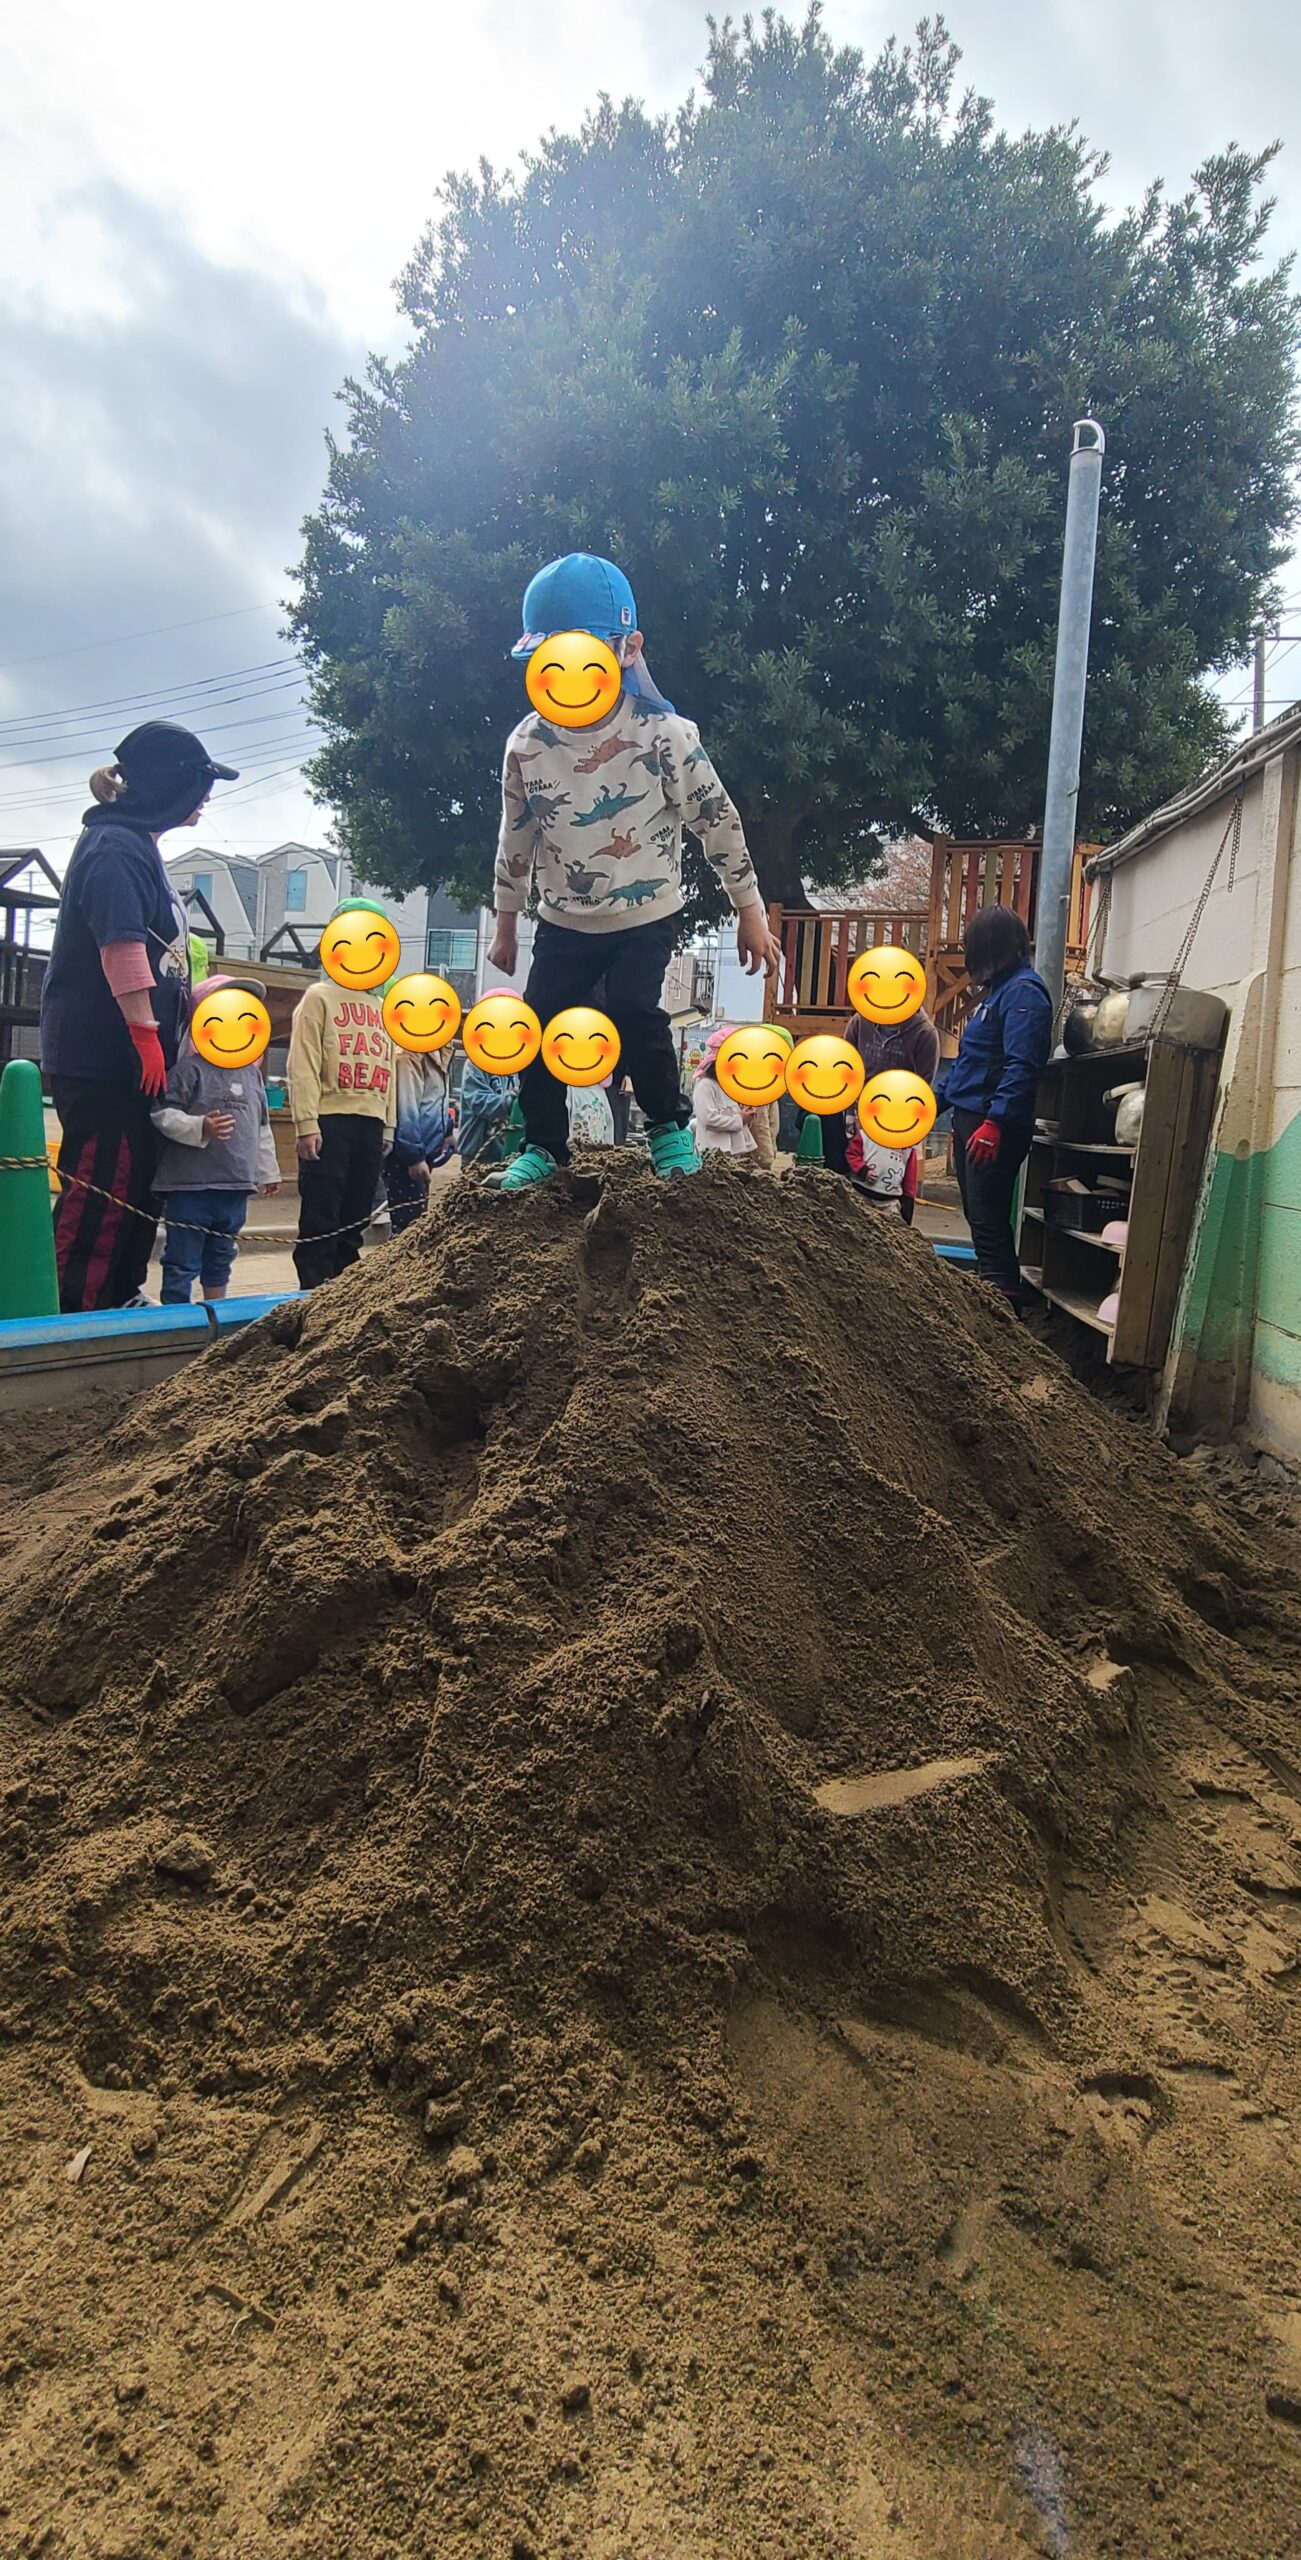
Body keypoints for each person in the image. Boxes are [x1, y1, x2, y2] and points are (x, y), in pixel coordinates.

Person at [487, 552, 780, 1190]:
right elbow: (517, 835)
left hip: (644, 914)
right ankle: (543, 1144)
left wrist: (750, 911)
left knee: (630, 1007)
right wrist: (506, 924)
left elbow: (717, 819)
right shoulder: (527, 744)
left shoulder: (664, 735)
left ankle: (669, 1129)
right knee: (540, 1019)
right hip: (563, 917)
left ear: (626, 649)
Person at [40, 723, 240, 1312]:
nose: (206, 797)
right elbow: (121, 947)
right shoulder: (114, 846)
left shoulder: (138, 844)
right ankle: (76, 1305)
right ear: (169, 785)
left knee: (138, 1183)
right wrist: (145, 1034)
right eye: (200, 785)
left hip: (137, 1061)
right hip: (104, 1056)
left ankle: (120, 1291)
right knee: (106, 1181)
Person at [936, 904, 1053, 1309]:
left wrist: (996, 1123)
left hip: (991, 1126)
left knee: (988, 1220)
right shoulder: (997, 995)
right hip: (972, 1119)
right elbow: (969, 1064)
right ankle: (994, 1297)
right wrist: (929, 1104)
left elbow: (1022, 1065)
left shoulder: (1023, 994)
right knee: (978, 1215)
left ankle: (1002, 1305)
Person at [150, 975, 280, 1302]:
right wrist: (200, 1127)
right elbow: (162, 1114)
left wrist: (268, 1171)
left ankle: (215, 1309)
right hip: (190, 1187)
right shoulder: (189, 1071)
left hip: (235, 1186)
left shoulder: (252, 1075)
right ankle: (176, 1316)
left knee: (222, 1254)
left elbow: (261, 1127)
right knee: (182, 1257)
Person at [288, 929, 396, 1288]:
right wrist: (306, 1122)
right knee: (322, 1216)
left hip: (371, 1120)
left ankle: (345, 1291)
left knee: (356, 1216)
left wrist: (389, 1125)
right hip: (329, 1119)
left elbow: (390, 1067)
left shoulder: (382, 1008)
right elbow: (303, 1062)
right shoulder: (318, 996)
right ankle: (312, 1291)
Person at [823, 972, 940, 1228]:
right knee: (853, 1176)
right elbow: (847, 1065)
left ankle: (900, 1231)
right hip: (859, 1112)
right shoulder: (860, 1021)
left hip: (898, 1118)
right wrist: (850, 1112)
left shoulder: (925, 1034)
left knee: (897, 1181)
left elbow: (923, 1085)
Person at [387, 1047, 455, 1235]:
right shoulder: (408, 1057)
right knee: (408, 1228)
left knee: (418, 1221)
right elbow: (405, 1110)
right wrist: (414, 1158)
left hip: (426, 1151)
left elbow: (436, 1098)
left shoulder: (441, 1053)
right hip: (405, 1156)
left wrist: (447, 1131)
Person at [690, 1028, 757, 1158]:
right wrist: (740, 1120)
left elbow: (732, 1115)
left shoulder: (729, 1087)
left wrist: (746, 1115)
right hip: (713, 1154)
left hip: (734, 1152)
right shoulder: (705, 1086)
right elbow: (709, 1119)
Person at [457, 1061, 518, 1169]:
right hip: (479, 1152)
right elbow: (478, 1102)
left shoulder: (522, 1065)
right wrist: (513, 1101)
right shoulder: (476, 1062)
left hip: (511, 1153)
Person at [568, 1077, 616, 1147]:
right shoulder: (570, 1090)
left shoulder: (600, 1091)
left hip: (599, 1148)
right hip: (577, 1148)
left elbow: (609, 1122)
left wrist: (609, 1147)